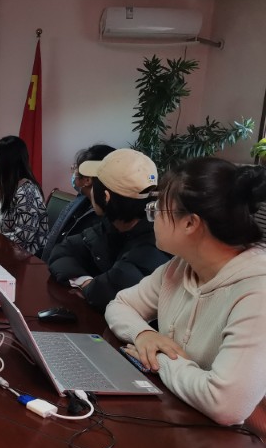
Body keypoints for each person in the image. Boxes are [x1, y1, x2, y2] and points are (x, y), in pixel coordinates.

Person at [106, 157, 266, 426]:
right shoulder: (181, 267)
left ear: (190, 223)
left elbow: (226, 405)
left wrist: (158, 358)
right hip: (184, 417)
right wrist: (143, 334)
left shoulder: (257, 293)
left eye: (158, 209)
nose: (153, 217)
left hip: (242, 441)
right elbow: (120, 304)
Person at [48, 149, 170, 311]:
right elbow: (61, 251)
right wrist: (84, 282)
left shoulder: (154, 245)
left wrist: (89, 287)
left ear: (106, 197)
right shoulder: (111, 227)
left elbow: (105, 293)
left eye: (95, 185)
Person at [39, 144, 115, 261]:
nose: (74, 173)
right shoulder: (80, 200)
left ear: (87, 180)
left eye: (76, 169)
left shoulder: (104, 216)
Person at [0, 135, 48, 254]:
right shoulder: (12, 188)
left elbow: (22, 242)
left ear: (5, 163)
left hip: (27, 260)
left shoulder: (27, 193)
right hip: (10, 253)